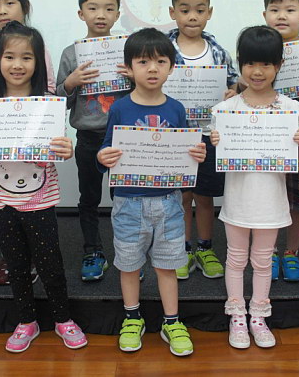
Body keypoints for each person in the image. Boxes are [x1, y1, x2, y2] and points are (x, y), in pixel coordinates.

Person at [0, 22, 87, 353]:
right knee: (15, 265)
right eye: (9, 57)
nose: (17, 65)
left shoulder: (48, 102)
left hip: (40, 199)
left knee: (50, 263)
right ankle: (26, 321)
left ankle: (62, 318)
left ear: (38, 62)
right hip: (0, 201)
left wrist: (66, 149)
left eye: (26, 57)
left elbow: (59, 146)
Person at [97, 28, 206, 356]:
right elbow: (106, 147)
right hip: (128, 202)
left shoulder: (176, 109)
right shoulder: (119, 108)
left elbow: (185, 150)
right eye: (143, 61)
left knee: (167, 265)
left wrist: (196, 154)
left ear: (171, 67)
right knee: (129, 265)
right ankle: (133, 318)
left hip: (169, 202)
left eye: (160, 61)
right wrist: (103, 157)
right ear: (129, 68)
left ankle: (172, 321)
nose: (152, 68)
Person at [209, 26, 299, 349]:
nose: (257, 71)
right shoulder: (225, 111)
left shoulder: (291, 110)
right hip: (238, 200)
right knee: (236, 259)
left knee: (263, 261)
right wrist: (217, 141)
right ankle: (237, 315)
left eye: (266, 64)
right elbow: (219, 154)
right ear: (240, 63)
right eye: (250, 63)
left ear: (279, 65)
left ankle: (258, 316)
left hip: (271, 201)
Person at [56, 0, 130, 281]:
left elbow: (144, 93)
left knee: (124, 198)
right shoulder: (70, 53)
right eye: (93, 8)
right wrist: (71, 82)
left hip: (122, 137)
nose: (101, 14)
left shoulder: (127, 50)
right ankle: (93, 251)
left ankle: (127, 254)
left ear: (117, 15)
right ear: (81, 13)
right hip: (87, 138)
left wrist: (134, 77)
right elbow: (59, 100)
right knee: (88, 198)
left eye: (109, 9)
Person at [0, 0, 54, 285]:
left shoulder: (38, 46)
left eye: (10, 3)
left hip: (32, 134)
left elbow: (48, 88)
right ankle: (11, 259)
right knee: (7, 209)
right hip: (0, 138)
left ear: (25, 7)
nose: (2, 10)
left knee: (35, 212)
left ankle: (35, 260)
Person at [167, 0, 238, 281]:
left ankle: (205, 249)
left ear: (209, 12)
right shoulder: (164, 49)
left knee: (205, 197)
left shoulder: (218, 52)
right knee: (182, 196)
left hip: (208, 135)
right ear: (173, 12)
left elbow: (234, 84)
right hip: (175, 136)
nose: (192, 16)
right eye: (185, 10)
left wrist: (233, 93)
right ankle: (183, 249)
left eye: (199, 10)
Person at [262, 0, 299, 283]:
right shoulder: (259, 48)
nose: (282, 16)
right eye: (275, 9)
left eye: (290, 10)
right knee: (268, 198)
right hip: (264, 143)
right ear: (264, 14)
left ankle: (291, 251)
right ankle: (267, 252)